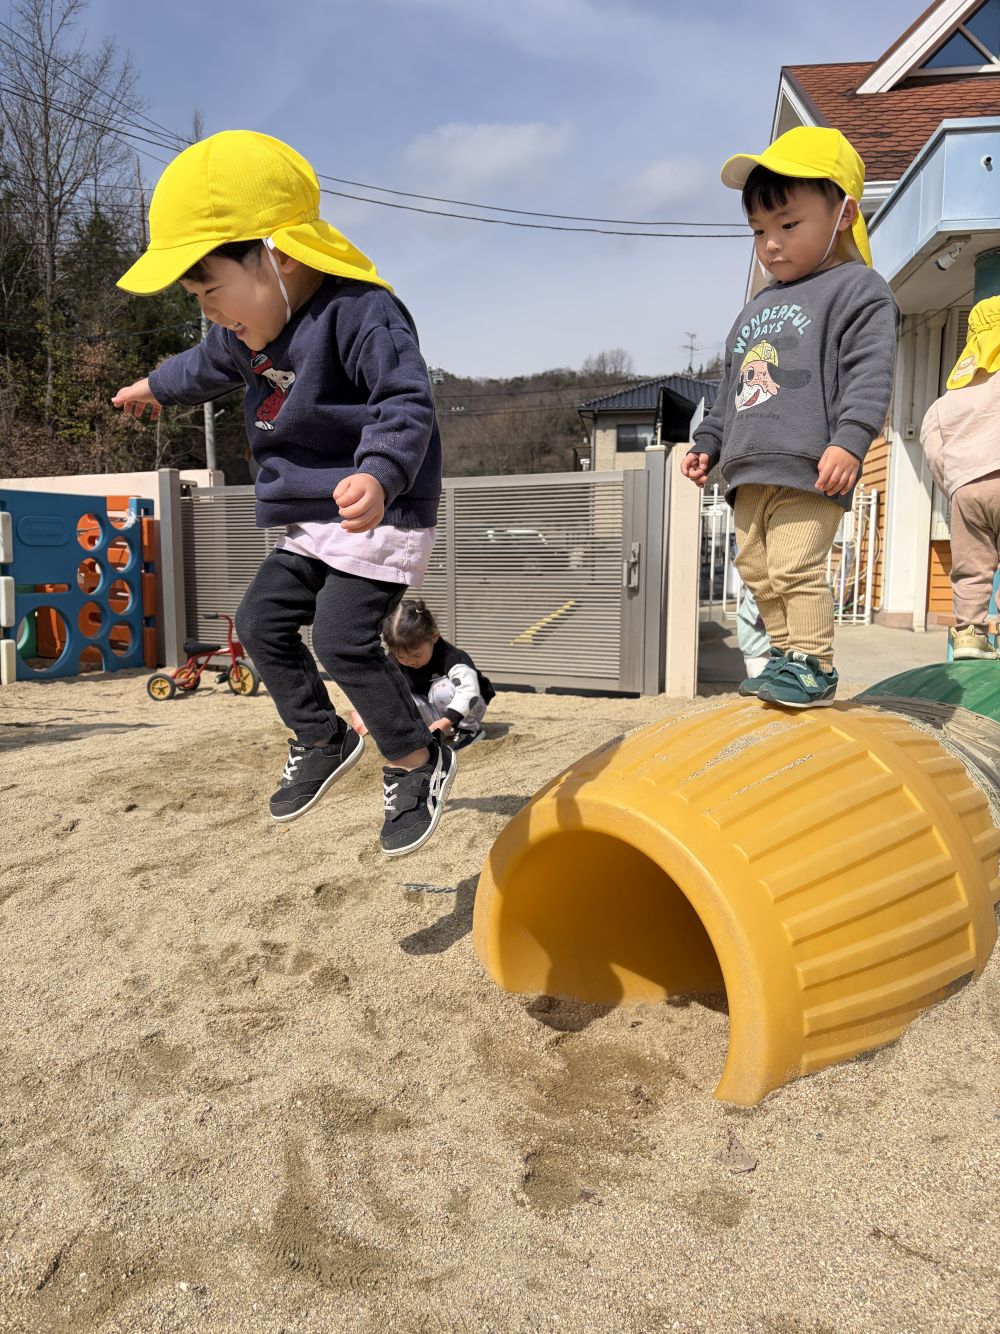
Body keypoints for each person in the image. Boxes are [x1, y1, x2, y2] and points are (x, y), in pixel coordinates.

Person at [112, 130, 456, 857]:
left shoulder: (362, 314)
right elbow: (199, 367)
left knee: (340, 637)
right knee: (260, 621)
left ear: (281, 254)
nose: (210, 312)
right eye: (197, 298)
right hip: (310, 518)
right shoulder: (240, 336)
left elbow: (406, 403)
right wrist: (152, 387)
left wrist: (381, 471)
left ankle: (416, 761)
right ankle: (321, 736)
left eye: (212, 290)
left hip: (377, 511)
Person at [682, 126, 898, 708]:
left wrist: (851, 441)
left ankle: (812, 662)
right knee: (757, 570)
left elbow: (869, 374)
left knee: (797, 565)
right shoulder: (757, 305)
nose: (770, 244)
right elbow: (729, 387)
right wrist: (708, 439)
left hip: (810, 464)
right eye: (758, 231)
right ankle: (784, 657)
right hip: (748, 470)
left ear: (845, 213)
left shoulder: (858, 290)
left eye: (788, 225)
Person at [920, 295, 1000, 661]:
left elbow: (933, 445)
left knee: (970, 567)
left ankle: (969, 634)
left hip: (966, 489)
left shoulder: (948, 401)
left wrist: (954, 484)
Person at [359, 599, 495, 750]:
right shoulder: (394, 660)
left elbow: (469, 691)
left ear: (434, 636)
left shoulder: (451, 657)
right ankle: (432, 732)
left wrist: (447, 720)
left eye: (417, 655)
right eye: (402, 657)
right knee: (397, 696)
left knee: (441, 688)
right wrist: (367, 714)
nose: (410, 661)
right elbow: (384, 688)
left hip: (469, 706)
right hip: (432, 709)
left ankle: (468, 730)